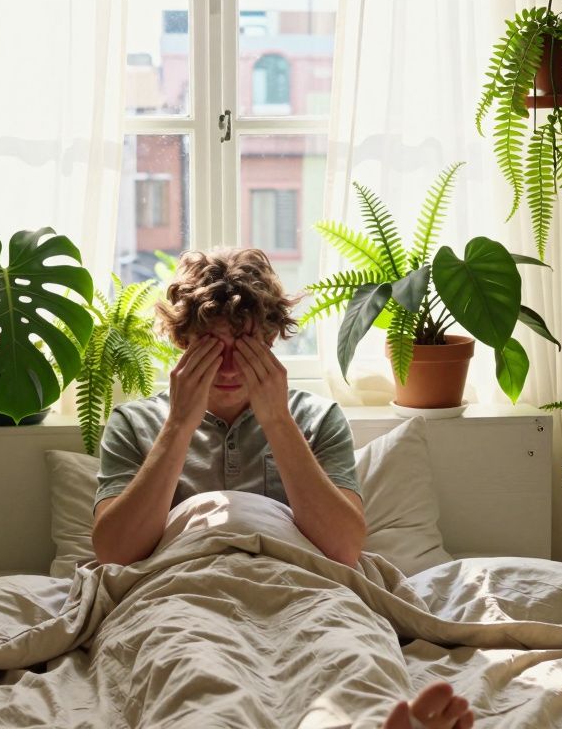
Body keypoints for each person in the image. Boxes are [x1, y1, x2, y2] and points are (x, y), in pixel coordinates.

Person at [90, 248, 474, 729]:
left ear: (271, 339)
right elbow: (115, 553)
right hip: (179, 595)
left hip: (308, 589)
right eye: (211, 347)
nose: (229, 367)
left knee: (346, 651)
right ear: (183, 341)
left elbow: (343, 547)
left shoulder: (314, 419)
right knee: (192, 671)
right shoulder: (135, 422)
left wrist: (276, 418)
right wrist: (180, 423)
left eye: (245, 346)